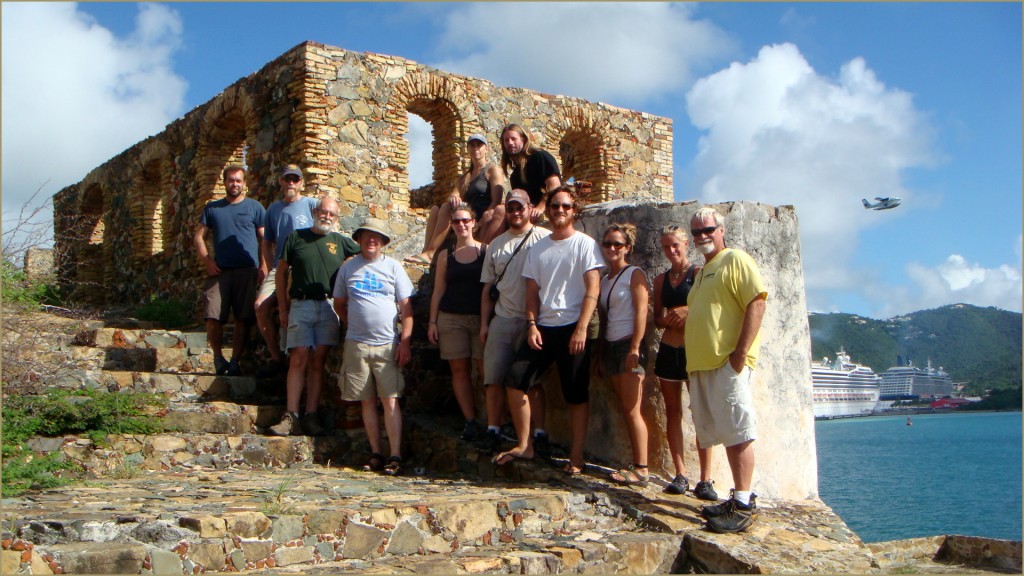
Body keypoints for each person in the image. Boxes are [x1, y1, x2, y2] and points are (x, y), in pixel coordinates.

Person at [493, 185, 603, 474]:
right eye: (555, 206)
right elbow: (532, 292)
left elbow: (593, 288)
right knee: (515, 380)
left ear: (573, 210)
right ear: (548, 210)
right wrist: (531, 325)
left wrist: (581, 328)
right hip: (543, 327)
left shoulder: (585, 244)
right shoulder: (538, 248)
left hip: (573, 328)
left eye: (566, 206)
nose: (560, 211)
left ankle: (576, 457)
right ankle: (525, 444)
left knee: (576, 394)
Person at [685, 206, 768, 534]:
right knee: (723, 434)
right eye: (696, 232)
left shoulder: (735, 259)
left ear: (721, 230)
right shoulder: (704, 270)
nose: (702, 236)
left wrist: (740, 353)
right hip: (704, 366)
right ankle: (736, 498)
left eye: (708, 230)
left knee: (738, 433)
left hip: (725, 363)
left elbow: (757, 302)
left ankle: (745, 504)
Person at [268, 196, 359, 437]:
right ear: (315, 211)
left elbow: (365, 254)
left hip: (328, 306)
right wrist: (283, 307)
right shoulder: (296, 238)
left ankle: (311, 415)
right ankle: (291, 416)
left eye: (332, 214)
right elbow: (281, 273)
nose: (326, 216)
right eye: (323, 211)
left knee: (318, 360)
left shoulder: (339, 242)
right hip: (301, 304)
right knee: (299, 357)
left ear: (336, 218)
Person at [333, 217, 414, 476]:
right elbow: (339, 303)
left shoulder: (393, 267)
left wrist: (405, 342)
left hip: (387, 344)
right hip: (357, 344)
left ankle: (395, 454)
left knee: (390, 400)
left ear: (383, 242)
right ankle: (376, 452)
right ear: (359, 239)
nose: (371, 240)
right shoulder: (348, 268)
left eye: (376, 236)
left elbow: (407, 309)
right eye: (367, 235)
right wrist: (353, 324)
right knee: (366, 401)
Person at [477, 189, 551, 454]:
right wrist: (485, 324)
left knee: (533, 381)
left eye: (520, 207)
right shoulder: (497, 244)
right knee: (493, 378)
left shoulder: (545, 239)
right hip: (504, 317)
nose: (515, 212)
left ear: (530, 208)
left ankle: (539, 433)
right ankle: (493, 429)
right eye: (511, 208)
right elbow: (487, 289)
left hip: (536, 321)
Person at [652, 225, 718, 500]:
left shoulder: (699, 274)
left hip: (694, 350)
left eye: (675, 245)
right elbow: (656, 318)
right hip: (668, 348)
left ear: (686, 245)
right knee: (673, 411)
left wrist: (688, 310)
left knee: (700, 411)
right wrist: (666, 319)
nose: (671, 251)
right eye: (666, 247)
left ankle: (706, 478)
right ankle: (680, 473)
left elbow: (711, 306)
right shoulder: (660, 280)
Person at [193, 165, 266, 376]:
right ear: (224, 182)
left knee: (244, 318)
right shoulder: (212, 209)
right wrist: (207, 260)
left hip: (247, 270)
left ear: (244, 184)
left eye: (238, 180)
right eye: (231, 180)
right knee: (212, 315)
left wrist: (264, 266)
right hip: (220, 271)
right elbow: (199, 236)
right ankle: (218, 358)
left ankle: (235, 361)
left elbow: (264, 239)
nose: (234, 184)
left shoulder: (255, 208)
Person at [596, 223, 651, 487]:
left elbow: (642, 311)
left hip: (628, 343)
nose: (612, 248)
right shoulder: (605, 279)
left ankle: (642, 468)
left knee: (632, 410)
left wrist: (635, 347)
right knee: (625, 408)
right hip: (610, 345)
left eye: (618, 244)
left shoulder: (634, 274)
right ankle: (636, 464)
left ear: (627, 247)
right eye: (608, 243)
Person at [427, 204, 487, 441]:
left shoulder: (486, 251)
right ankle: (470, 420)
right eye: (456, 222)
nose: (461, 225)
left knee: (486, 371)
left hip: (480, 319)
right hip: (451, 318)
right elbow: (438, 290)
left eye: (465, 220)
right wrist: (432, 321)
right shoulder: (446, 255)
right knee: (459, 371)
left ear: (474, 222)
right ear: (451, 226)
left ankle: (492, 421)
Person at [255, 164, 318, 376]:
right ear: (281, 181)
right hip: (280, 265)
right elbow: (267, 242)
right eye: (287, 179)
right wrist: (271, 264)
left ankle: (295, 357)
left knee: (294, 306)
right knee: (260, 306)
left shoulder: (311, 205)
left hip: (303, 267)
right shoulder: (273, 209)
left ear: (301, 183)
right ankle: (276, 356)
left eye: (295, 179)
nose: (291, 182)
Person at [407, 134, 507, 265]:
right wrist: (454, 197)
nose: (475, 148)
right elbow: (454, 194)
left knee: (446, 208)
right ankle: (427, 251)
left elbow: (496, 200)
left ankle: (431, 253)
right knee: (437, 209)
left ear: (486, 149)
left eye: (479, 145)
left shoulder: (492, 170)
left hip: (480, 216)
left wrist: (482, 220)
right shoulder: (466, 176)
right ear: (468, 149)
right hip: (466, 213)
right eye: (472, 145)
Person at [499, 123, 561, 223]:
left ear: (523, 139)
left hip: (546, 211)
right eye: (506, 140)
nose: (510, 143)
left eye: (513, 139)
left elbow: (554, 185)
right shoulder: (515, 175)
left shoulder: (540, 157)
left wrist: (541, 207)